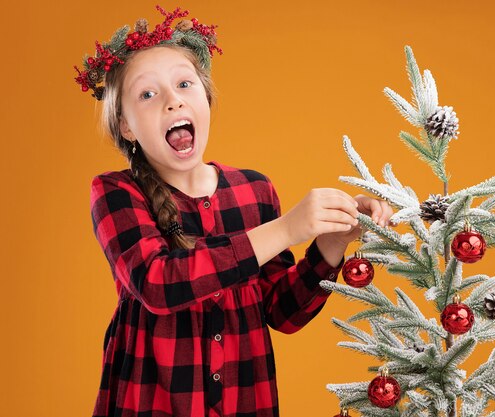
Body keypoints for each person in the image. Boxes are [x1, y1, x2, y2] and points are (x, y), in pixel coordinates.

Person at [75, 5, 394, 417]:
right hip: (152, 404)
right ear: (126, 126)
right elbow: (159, 283)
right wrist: (285, 229)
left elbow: (282, 312)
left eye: (185, 85)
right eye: (148, 94)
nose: (173, 102)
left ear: (205, 99)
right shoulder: (116, 191)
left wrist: (331, 242)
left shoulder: (254, 189)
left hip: (247, 402)